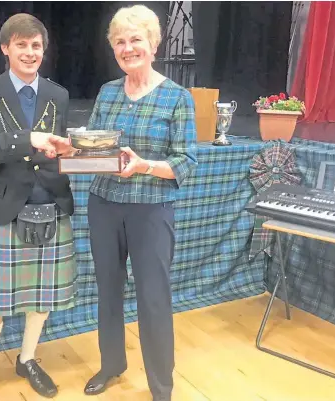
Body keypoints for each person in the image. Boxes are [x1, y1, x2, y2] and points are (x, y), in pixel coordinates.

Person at [81, 6, 198, 401]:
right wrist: (75, 149)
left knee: (152, 297)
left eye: (135, 40)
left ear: (154, 44)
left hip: (151, 211)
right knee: (107, 290)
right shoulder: (108, 92)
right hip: (104, 205)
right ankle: (112, 364)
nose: (128, 48)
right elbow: (96, 148)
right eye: (120, 42)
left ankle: (161, 387)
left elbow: (186, 163)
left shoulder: (177, 98)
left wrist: (145, 165)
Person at [0, 13, 78, 401]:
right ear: (5, 48)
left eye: (36, 46)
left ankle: (27, 359)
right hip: (6, 205)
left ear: (43, 50)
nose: (30, 52)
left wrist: (75, 154)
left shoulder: (58, 95)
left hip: (51, 201)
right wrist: (29, 138)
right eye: (22, 45)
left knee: (42, 297)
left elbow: (58, 150)